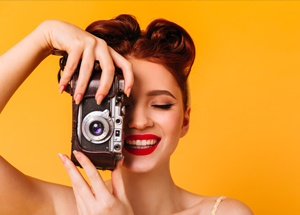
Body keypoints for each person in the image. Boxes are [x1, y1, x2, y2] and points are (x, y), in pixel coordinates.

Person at [0, 14, 253, 215]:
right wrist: (44, 36)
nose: (139, 122)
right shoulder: (64, 208)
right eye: (121, 104)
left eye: (161, 105)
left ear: (185, 120)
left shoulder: (224, 212)